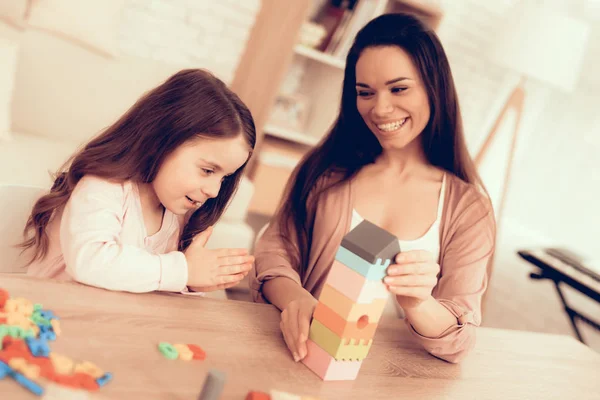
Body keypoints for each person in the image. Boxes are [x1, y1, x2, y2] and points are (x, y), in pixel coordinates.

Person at [250, 13, 496, 364]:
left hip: (396, 379)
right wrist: (296, 299)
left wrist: (419, 303)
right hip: (303, 359)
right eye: (365, 93)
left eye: (399, 89)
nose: (380, 109)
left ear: (434, 87)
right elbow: (273, 255)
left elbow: (462, 338)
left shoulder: (468, 208)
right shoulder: (324, 174)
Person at [21, 69, 256, 294]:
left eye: (224, 178)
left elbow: (146, 282)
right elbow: (91, 261)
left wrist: (190, 282)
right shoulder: (102, 187)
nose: (214, 191)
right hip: (48, 320)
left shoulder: (174, 210)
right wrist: (183, 270)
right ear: (161, 140)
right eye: (207, 170)